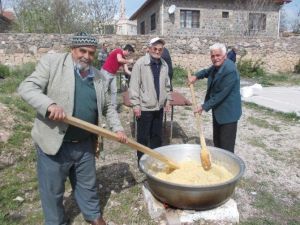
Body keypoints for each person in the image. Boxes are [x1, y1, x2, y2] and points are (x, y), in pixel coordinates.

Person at [18, 32, 128, 225]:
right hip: (55, 143)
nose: (86, 56)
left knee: (88, 185)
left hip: (84, 143)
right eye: (82, 51)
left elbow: (107, 107)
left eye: (91, 53)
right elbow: (27, 87)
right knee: (52, 190)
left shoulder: (98, 76)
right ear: (72, 49)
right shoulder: (53, 63)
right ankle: (55, 221)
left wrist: (118, 129)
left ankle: (93, 215)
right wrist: (49, 105)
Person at [188, 43, 242, 153]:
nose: (215, 58)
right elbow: (207, 72)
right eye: (213, 56)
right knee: (217, 142)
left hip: (228, 114)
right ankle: (219, 164)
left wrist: (203, 106)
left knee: (226, 147)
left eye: (218, 55)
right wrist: (196, 76)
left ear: (225, 55)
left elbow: (221, 95)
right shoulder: (217, 66)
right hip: (218, 112)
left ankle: (227, 168)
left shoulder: (230, 70)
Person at [129, 37, 172, 163]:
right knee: (143, 137)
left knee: (157, 136)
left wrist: (168, 100)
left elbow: (167, 85)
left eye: (160, 49)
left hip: (159, 107)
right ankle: (141, 161)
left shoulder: (164, 64)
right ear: (149, 49)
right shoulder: (140, 63)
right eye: (155, 48)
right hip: (145, 107)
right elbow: (134, 86)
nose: (158, 51)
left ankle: (155, 160)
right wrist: (135, 105)